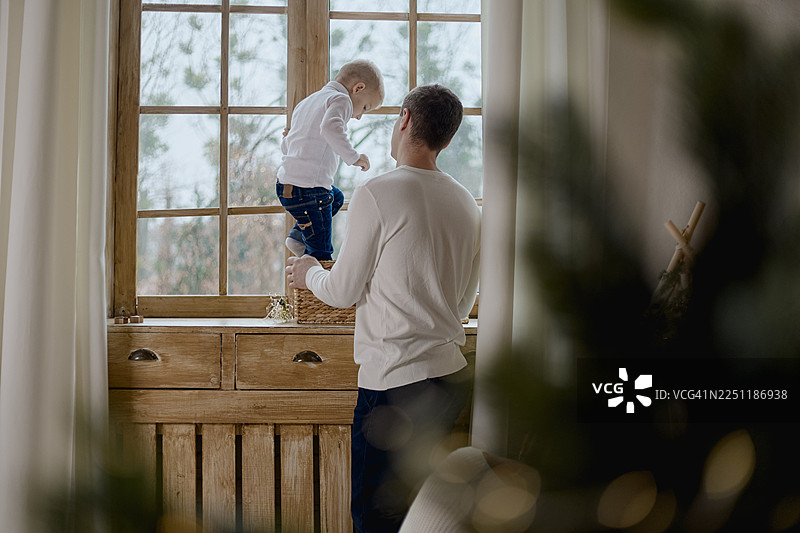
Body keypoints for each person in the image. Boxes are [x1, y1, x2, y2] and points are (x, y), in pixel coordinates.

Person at [286, 84, 481, 533]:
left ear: (406, 120)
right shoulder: (467, 203)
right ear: (447, 140)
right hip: (450, 379)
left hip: (394, 384)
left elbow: (342, 290)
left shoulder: (378, 192)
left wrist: (309, 271)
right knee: (426, 517)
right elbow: (464, 303)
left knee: (376, 517)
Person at [277, 59, 384, 259]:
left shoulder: (308, 102)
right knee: (322, 251)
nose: (359, 116)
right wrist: (354, 157)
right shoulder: (341, 100)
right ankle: (315, 270)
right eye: (366, 107)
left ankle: (298, 236)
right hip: (310, 190)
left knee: (336, 198)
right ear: (358, 88)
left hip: (286, 186)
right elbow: (330, 128)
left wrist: (287, 138)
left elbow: (288, 145)